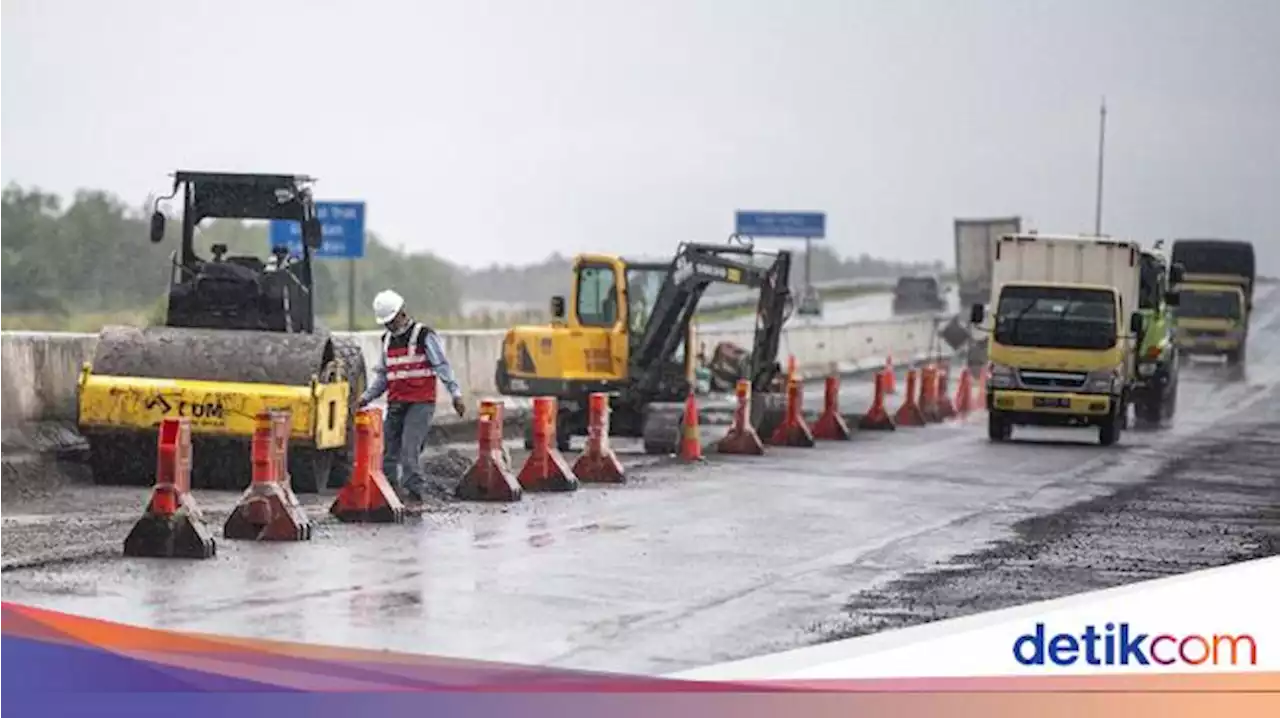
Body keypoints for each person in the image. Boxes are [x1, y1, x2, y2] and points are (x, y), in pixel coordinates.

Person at [358, 289, 466, 504]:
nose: (389, 326)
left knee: (409, 450)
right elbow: (384, 377)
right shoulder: (387, 340)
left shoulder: (423, 335)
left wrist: (456, 394)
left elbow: (442, 366)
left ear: (401, 313)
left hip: (420, 403)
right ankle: (388, 494)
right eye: (386, 323)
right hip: (397, 402)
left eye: (391, 320)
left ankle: (415, 494)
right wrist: (365, 398)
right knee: (388, 453)